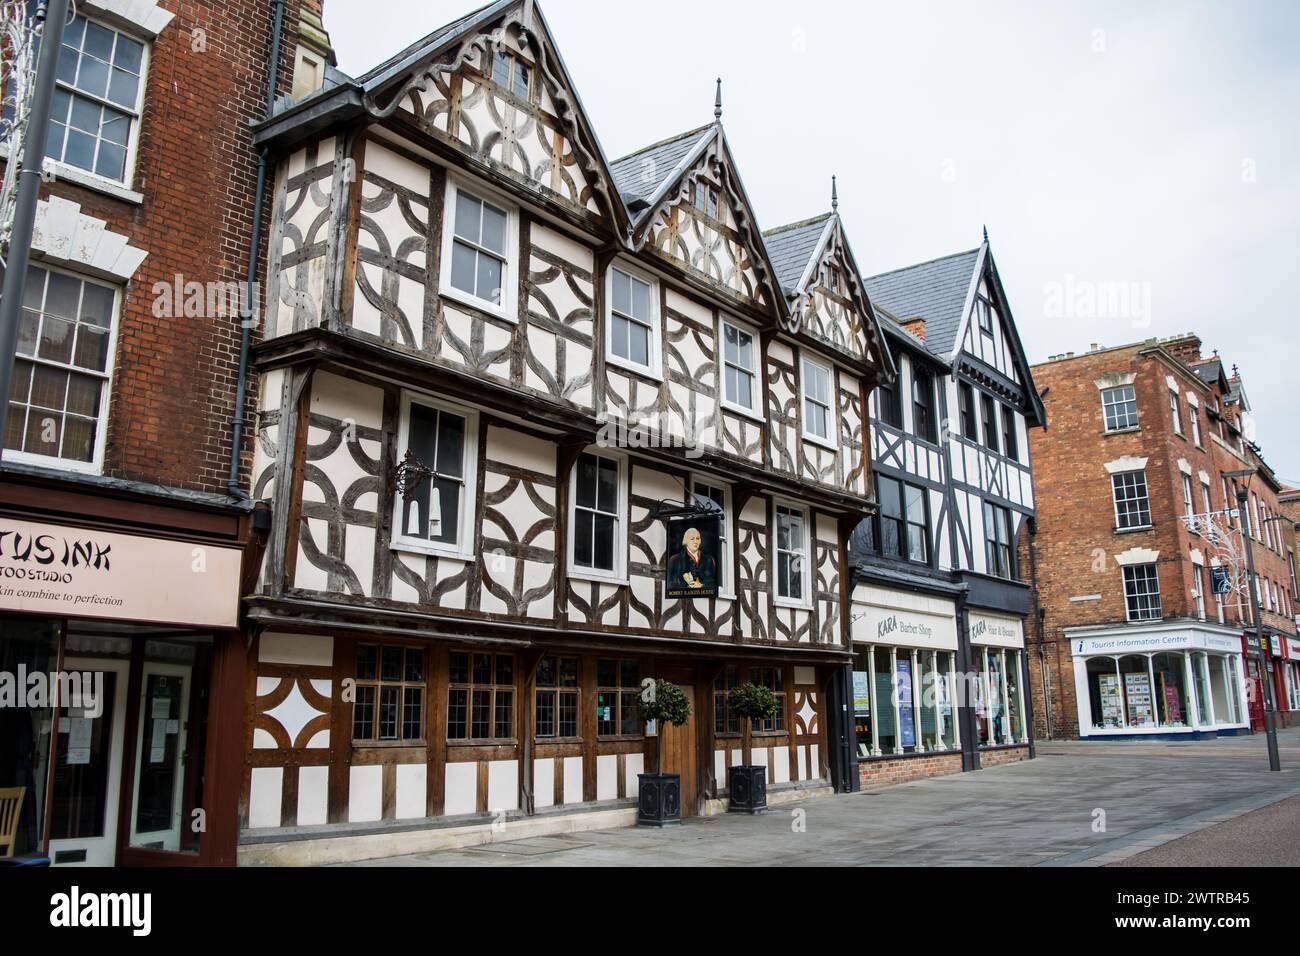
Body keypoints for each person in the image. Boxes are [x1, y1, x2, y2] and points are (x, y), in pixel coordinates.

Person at [667, 526, 716, 593]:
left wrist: (701, 586)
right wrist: (687, 584)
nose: (695, 541)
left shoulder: (708, 559)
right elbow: (671, 584)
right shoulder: (675, 559)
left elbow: (713, 582)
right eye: (692, 539)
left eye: (698, 538)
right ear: (686, 541)